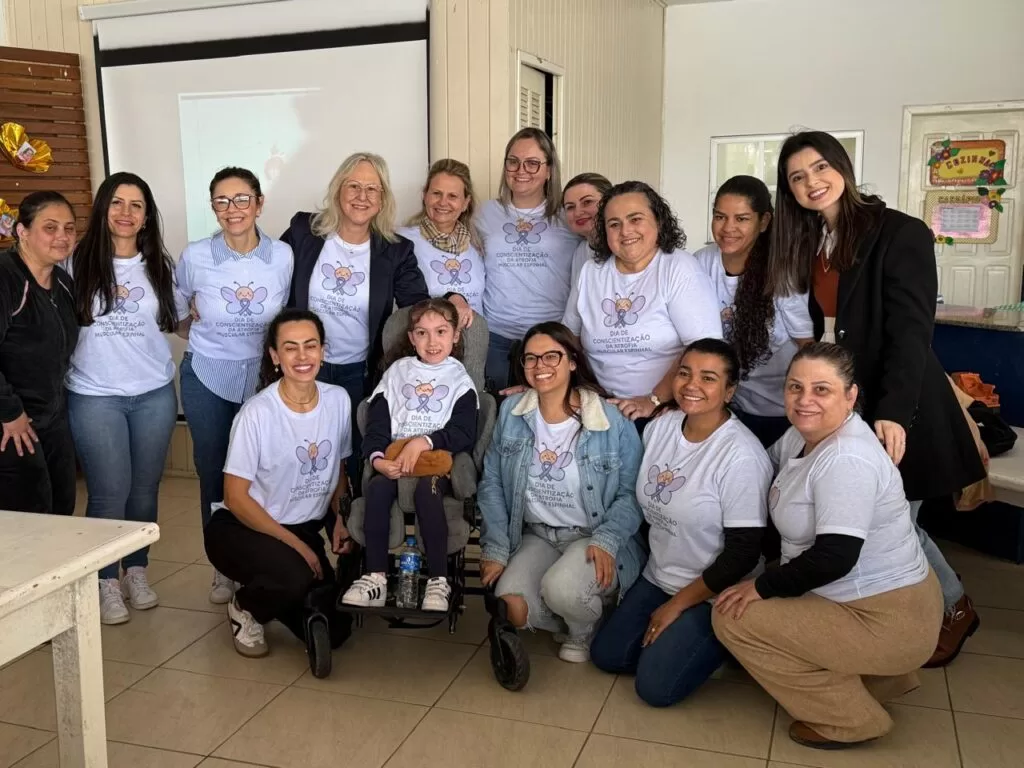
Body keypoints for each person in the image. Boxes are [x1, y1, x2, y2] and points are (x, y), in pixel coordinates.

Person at [768, 131, 986, 667]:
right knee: (874, 518)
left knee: (896, 519)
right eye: (797, 177)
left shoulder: (900, 232)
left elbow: (912, 333)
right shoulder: (813, 239)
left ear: (842, 167)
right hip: (845, 402)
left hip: (896, 401)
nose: (812, 182)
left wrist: (892, 412)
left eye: (820, 168)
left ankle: (953, 605)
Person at [713, 343, 943, 750]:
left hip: (889, 617)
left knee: (731, 617)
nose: (805, 400)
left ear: (850, 396)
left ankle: (850, 720)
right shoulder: (801, 435)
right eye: (795, 387)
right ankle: (881, 679)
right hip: (874, 599)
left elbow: (835, 557)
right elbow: (758, 469)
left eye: (822, 390)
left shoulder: (846, 459)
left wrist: (760, 588)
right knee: (763, 593)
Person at [590, 339, 770, 707]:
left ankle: (728, 640)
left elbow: (743, 554)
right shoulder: (662, 427)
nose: (691, 385)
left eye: (708, 378)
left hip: (716, 591)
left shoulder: (741, 456)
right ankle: (676, 644)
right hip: (660, 576)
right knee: (607, 656)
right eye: (684, 373)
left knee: (655, 688)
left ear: (729, 391)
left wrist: (677, 606)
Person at [478, 322, 645, 663]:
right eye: (531, 358)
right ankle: (573, 609)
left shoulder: (611, 419)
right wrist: (496, 546)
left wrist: (608, 539)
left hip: (591, 533)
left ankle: (583, 628)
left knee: (564, 590)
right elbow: (491, 482)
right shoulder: (512, 412)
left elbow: (632, 492)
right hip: (537, 534)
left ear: (571, 361)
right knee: (511, 605)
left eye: (551, 356)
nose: (540, 366)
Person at [66, 173, 186, 625]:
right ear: (102, 208)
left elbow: (176, 321)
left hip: (153, 393)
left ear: (147, 216)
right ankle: (105, 581)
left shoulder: (159, 266)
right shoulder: (74, 264)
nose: (126, 213)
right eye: (117, 203)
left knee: (143, 490)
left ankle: (136, 570)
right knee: (108, 493)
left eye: (136, 205)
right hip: (95, 395)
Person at [203, 308, 354, 658]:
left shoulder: (338, 400)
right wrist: (297, 546)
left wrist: (341, 518)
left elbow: (338, 470)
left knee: (338, 630)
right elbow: (235, 497)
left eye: (310, 346)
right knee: (295, 575)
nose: (302, 356)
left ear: (322, 351)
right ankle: (245, 607)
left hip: (302, 527)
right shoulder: (257, 413)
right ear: (275, 356)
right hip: (242, 528)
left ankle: (282, 590)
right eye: (290, 347)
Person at [176, 167, 293, 604]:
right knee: (214, 472)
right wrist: (197, 329)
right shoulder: (196, 255)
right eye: (221, 201)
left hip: (263, 379)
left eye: (242, 199)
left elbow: (287, 317)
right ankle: (223, 566)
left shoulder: (282, 256)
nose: (232, 209)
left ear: (259, 204)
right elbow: (176, 308)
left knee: (261, 473)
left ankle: (258, 560)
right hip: (207, 375)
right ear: (213, 208)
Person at [283, 152, 429, 487]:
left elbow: (419, 306)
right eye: (354, 186)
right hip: (305, 366)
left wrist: (453, 299)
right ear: (338, 189)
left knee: (353, 460)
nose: (362, 196)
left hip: (358, 372)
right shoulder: (305, 231)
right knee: (303, 455)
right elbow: (270, 270)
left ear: (382, 199)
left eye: (372, 189)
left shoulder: (396, 251)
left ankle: (350, 520)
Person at [342, 298, 478, 613]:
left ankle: (439, 580)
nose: (432, 342)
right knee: (377, 489)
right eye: (422, 333)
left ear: (455, 336)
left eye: (441, 332)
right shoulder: (397, 373)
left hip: (435, 463)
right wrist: (378, 459)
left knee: (426, 493)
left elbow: (463, 432)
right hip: (395, 458)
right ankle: (375, 576)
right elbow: (376, 424)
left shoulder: (459, 380)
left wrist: (424, 442)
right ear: (411, 338)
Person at [562, 181, 722, 420]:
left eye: (635, 219)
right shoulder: (590, 272)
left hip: (665, 409)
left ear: (659, 221)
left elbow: (705, 349)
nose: (625, 231)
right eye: (614, 224)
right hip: (602, 407)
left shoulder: (679, 267)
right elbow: (567, 339)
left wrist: (653, 400)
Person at [694, 176, 813, 447]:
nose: (728, 228)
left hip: (782, 411)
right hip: (727, 406)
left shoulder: (782, 271)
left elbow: (806, 345)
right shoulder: (701, 262)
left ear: (764, 222)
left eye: (742, 219)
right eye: (720, 217)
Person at [478, 129, 580, 391]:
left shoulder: (566, 216)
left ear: (549, 170)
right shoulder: (484, 213)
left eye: (532, 163)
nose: (521, 170)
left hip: (550, 340)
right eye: (513, 161)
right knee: (496, 408)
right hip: (496, 337)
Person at [0, 192, 79, 516]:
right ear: (22, 231)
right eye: (50, 227)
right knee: (29, 520)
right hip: (11, 424)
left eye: (69, 228)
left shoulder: (62, 282)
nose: (62, 236)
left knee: (61, 508)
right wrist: (9, 412)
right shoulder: (6, 276)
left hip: (52, 418)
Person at [398, 159, 483, 328]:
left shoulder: (476, 244)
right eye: (436, 193)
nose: (443, 202)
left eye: (453, 196)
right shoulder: (403, 241)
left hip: (476, 341)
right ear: (425, 195)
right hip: (427, 341)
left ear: (465, 203)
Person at [563, 172, 612, 287]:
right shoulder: (581, 251)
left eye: (587, 202)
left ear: (610, 202)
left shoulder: (625, 248)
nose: (578, 213)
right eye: (570, 207)